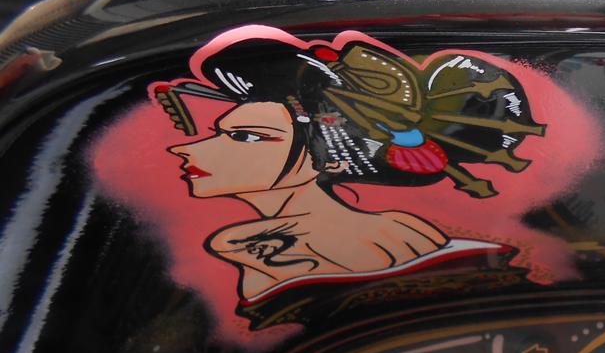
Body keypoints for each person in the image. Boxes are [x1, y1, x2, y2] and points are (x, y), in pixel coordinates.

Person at [153, 30, 546, 301]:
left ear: (326, 157)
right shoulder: (395, 231)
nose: (184, 149)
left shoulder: (293, 248)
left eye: (247, 136)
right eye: (220, 133)